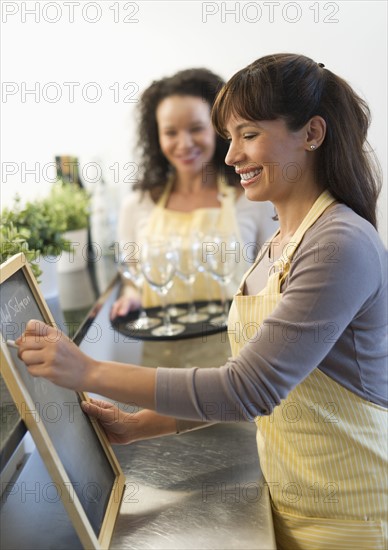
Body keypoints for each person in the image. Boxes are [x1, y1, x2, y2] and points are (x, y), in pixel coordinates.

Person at [16, 54, 387, 550]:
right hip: (298, 502)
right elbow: (255, 375)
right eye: (230, 137)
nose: (231, 156)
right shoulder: (285, 236)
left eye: (248, 134)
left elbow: (246, 389)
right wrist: (138, 425)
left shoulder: (338, 242)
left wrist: (86, 370)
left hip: (353, 514)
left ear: (312, 134)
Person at [111, 67, 277, 317]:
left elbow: (271, 282)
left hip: (240, 348)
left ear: (219, 130)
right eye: (170, 133)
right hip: (161, 349)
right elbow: (133, 280)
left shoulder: (252, 198)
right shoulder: (136, 205)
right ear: (156, 137)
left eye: (196, 128)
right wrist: (130, 297)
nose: (184, 143)